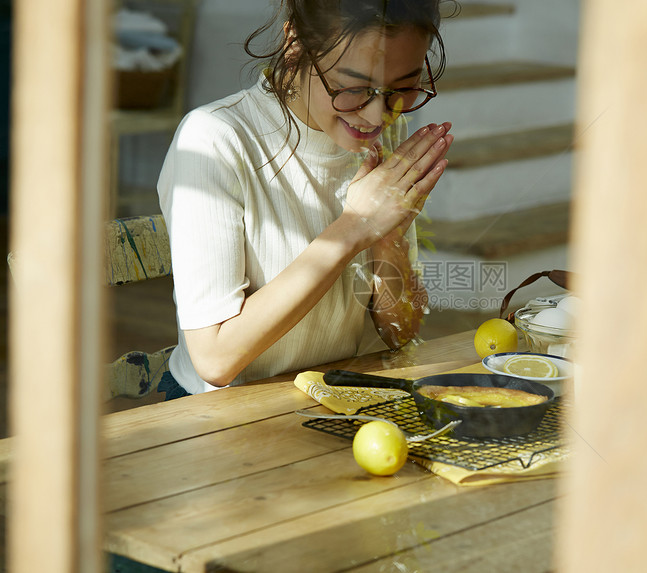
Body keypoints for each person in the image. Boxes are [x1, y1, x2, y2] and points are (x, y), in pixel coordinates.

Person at [156, 0, 453, 398]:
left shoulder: (375, 137)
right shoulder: (216, 140)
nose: (377, 114)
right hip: (217, 414)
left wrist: (387, 234)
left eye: (402, 89)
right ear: (295, 45)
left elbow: (401, 330)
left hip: (327, 397)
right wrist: (354, 228)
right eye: (354, 88)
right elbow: (215, 360)